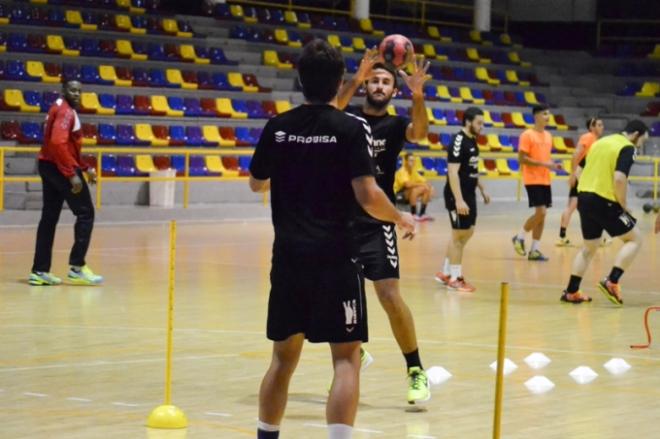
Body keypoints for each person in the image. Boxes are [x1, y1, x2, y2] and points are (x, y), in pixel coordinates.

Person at [249, 39, 415, 439]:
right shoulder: (350, 127)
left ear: (300, 79)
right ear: (341, 80)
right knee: (346, 359)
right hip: (337, 259)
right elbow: (368, 196)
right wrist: (400, 216)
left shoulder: (278, 127)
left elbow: (257, 183)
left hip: (288, 259)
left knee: (282, 360)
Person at [336, 51, 433, 403]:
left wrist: (418, 95)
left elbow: (420, 133)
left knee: (389, 296)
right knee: (333, 294)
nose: (378, 86)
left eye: (385, 82)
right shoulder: (347, 118)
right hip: (341, 220)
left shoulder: (394, 125)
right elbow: (331, 109)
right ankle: (351, 350)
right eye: (374, 81)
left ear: (394, 90)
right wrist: (356, 79)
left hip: (378, 222)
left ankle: (416, 369)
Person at [560, 120, 648, 305]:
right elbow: (619, 178)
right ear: (636, 134)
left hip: (584, 198)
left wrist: (588, 188)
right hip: (605, 200)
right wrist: (623, 205)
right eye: (642, 141)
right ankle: (612, 280)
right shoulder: (627, 147)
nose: (640, 145)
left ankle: (571, 291)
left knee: (589, 247)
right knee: (635, 239)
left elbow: (578, 170)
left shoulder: (600, 142)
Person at [29, 80, 103, 286]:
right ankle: (77, 267)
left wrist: (85, 167)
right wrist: (71, 174)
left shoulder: (59, 107)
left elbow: (66, 146)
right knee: (86, 213)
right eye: (72, 90)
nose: (77, 94)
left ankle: (40, 270)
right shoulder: (66, 112)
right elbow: (58, 143)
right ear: (64, 91)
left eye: (80, 90)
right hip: (60, 168)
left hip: (48, 165)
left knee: (49, 218)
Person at [435, 107, 490, 292]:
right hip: (456, 195)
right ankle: (455, 278)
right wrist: (458, 200)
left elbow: (472, 169)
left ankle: (445, 272)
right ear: (468, 122)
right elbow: (452, 171)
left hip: (469, 194)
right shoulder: (458, 141)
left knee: (467, 232)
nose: (482, 127)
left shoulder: (473, 140)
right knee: (459, 237)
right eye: (479, 123)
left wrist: (482, 189)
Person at [511, 104, 562, 261]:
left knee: (542, 217)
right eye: (545, 114)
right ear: (536, 116)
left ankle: (534, 250)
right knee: (541, 212)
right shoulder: (527, 135)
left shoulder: (548, 136)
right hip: (532, 179)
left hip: (545, 179)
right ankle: (519, 237)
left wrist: (552, 165)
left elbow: (544, 158)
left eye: (549, 114)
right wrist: (545, 164)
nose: (548, 117)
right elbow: (522, 159)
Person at [557, 117, 604, 246]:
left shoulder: (595, 140)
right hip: (580, 176)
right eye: (599, 125)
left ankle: (596, 237)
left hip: (586, 177)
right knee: (573, 206)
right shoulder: (588, 137)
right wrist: (573, 174)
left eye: (602, 125)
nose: (602, 127)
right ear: (592, 127)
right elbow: (575, 154)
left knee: (587, 206)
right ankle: (562, 236)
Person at [394, 152, 435, 221]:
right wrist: (423, 185)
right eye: (410, 160)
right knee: (415, 189)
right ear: (406, 161)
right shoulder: (402, 171)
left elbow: (424, 181)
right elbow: (407, 185)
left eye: (413, 160)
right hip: (398, 194)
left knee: (426, 189)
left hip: (408, 193)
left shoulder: (413, 171)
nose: (412, 162)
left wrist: (430, 188)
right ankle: (413, 214)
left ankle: (422, 214)